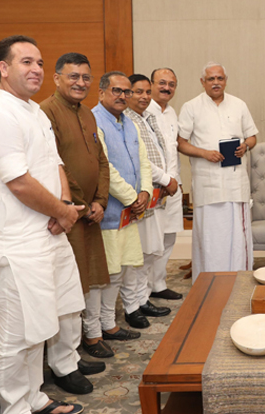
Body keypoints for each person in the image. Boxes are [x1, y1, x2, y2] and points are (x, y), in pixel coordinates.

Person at [0, 35, 84, 414]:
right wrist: (64, 214)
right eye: (26, 63)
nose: (35, 69)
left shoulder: (34, 112)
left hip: (48, 234)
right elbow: (18, 181)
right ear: (3, 68)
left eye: (39, 62)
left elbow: (55, 166)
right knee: (18, 334)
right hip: (17, 244)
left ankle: (36, 397)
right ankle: (16, 407)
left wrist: (63, 205)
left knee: (43, 323)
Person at [40, 53, 112, 390]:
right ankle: (62, 364)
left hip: (89, 213)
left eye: (86, 76)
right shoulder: (46, 112)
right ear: (56, 78)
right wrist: (81, 203)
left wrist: (100, 200)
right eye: (73, 76)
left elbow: (100, 159)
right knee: (65, 290)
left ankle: (72, 352)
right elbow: (55, 167)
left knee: (81, 284)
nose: (80, 82)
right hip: (67, 216)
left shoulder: (88, 114)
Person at [177, 62, 258, 280]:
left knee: (237, 237)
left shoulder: (239, 104)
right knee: (211, 237)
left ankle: (239, 279)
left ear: (225, 80)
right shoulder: (191, 107)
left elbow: (252, 136)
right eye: (211, 79)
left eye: (220, 78)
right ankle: (208, 282)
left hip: (235, 184)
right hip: (208, 185)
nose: (216, 83)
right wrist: (204, 153)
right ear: (202, 82)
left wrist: (246, 146)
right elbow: (180, 143)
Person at [92, 71, 153, 337]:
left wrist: (146, 192)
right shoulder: (94, 121)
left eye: (126, 91)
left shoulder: (130, 122)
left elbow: (144, 161)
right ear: (102, 92)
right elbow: (104, 169)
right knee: (106, 273)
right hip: (109, 213)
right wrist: (132, 198)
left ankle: (108, 323)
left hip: (130, 213)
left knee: (121, 270)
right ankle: (101, 326)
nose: (123, 96)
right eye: (117, 90)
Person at [121, 74, 176, 325]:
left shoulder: (149, 118)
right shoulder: (127, 121)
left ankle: (142, 300)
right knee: (138, 253)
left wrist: (166, 181)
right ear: (127, 94)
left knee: (151, 250)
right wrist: (166, 179)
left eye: (146, 92)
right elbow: (141, 161)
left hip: (157, 195)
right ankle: (132, 306)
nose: (143, 97)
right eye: (137, 92)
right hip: (141, 196)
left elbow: (162, 153)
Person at [146, 67, 184, 300]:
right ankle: (143, 289)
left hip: (173, 185)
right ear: (151, 85)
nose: (166, 87)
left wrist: (176, 181)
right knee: (152, 239)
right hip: (154, 186)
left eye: (171, 84)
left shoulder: (172, 112)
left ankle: (158, 284)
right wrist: (165, 179)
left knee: (169, 236)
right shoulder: (142, 111)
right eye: (161, 82)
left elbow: (173, 150)